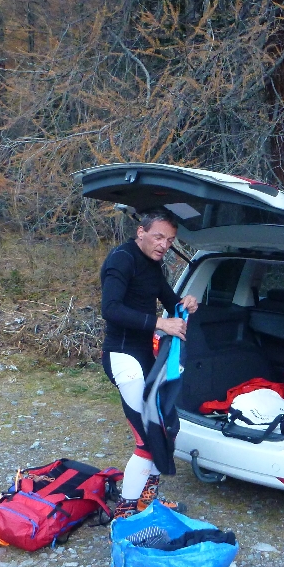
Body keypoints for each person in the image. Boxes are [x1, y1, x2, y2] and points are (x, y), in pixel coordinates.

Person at [100, 210, 198, 520]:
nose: (164, 245)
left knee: (166, 428)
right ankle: (125, 512)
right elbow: (111, 309)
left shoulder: (153, 266)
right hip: (122, 357)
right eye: (158, 237)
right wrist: (160, 323)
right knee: (146, 438)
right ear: (140, 232)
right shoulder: (122, 259)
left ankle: (146, 500)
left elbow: (172, 302)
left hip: (145, 357)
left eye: (170, 240)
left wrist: (186, 304)